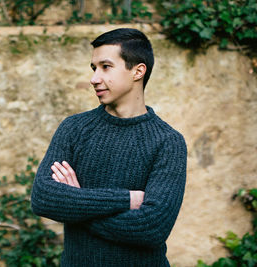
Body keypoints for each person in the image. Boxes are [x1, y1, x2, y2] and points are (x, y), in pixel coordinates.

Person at [31, 28, 187, 267]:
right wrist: (126, 199)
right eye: (94, 68)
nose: (94, 78)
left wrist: (77, 203)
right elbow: (43, 197)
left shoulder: (168, 142)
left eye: (106, 66)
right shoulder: (74, 128)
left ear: (138, 71)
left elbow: (152, 228)